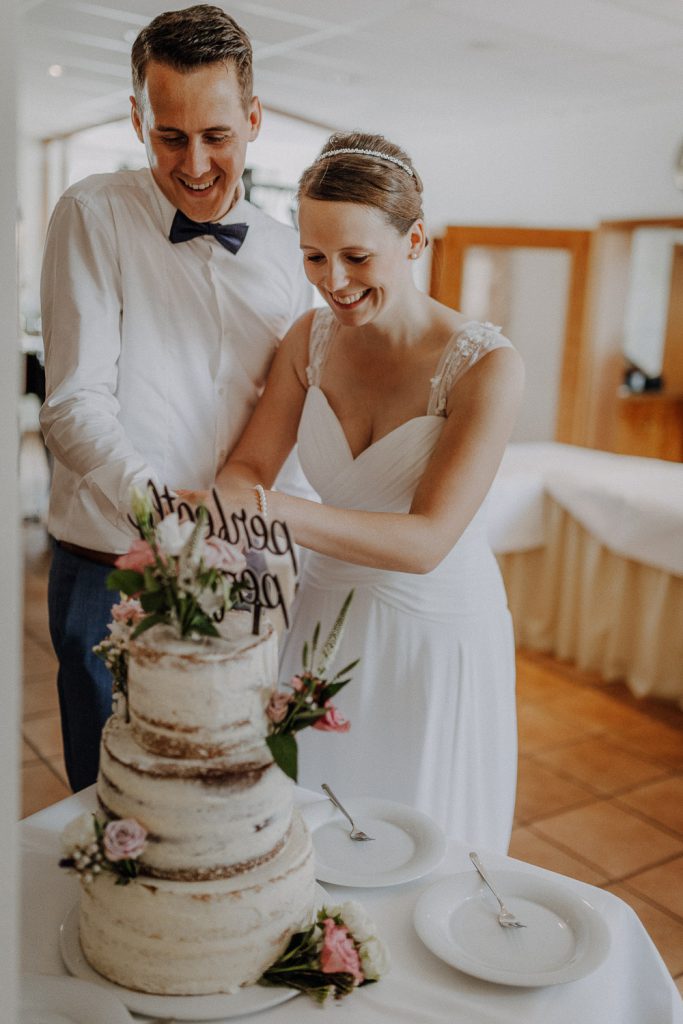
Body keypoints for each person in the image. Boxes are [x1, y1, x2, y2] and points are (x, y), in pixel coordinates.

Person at [182, 130, 525, 852]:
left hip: (431, 632)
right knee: (311, 827)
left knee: (420, 835)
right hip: (321, 611)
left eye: (356, 256)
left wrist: (269, 512)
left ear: (415, 241)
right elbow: (247, 467)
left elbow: (428, 539)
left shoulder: (485, 367)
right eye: (313, 255)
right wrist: (235, 502)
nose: (332, 280)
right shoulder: (309, 339)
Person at [39, 4, 311, 793]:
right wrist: (164, 514)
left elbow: (288, 416)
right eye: (170, 136)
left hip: (244, 567)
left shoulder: (288, 254)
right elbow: (72, 405)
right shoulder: (92, 214)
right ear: (138, 120)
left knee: (219, 798)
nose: (194, 163)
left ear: (253, 120)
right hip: (110, 563)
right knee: (111, 804)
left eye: (217, 136)